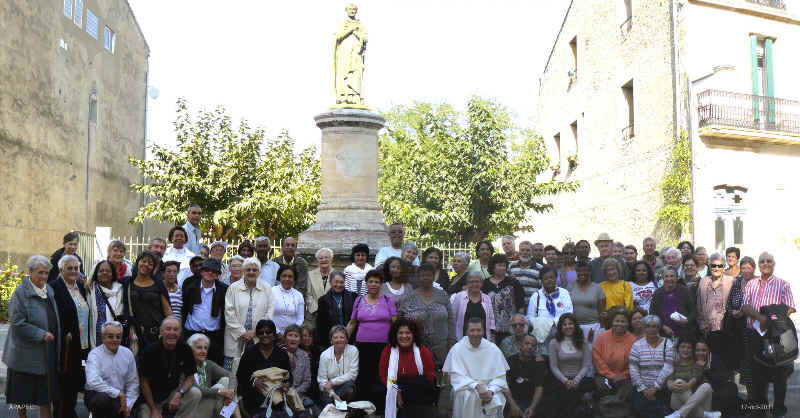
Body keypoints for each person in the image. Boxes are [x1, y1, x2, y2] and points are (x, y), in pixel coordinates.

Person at [4, 255, 60, 418]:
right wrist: (41, 334)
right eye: (40, 273)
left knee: (45, 396)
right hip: (24, 355)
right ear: (30, 272)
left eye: (46, 273)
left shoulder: (48, 290)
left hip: (45, 353)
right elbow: (17, 323)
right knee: (21, 397)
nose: (44, 277)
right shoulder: (20, 293)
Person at [740, 252, 795, 418]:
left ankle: (779, 411)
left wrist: (771, 318)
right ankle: (760, 411)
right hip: (754, 335)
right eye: (762, 261)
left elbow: (790, 308)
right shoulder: (751, 284)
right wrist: (759, 317)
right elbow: (745, 306)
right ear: (758, 264)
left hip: (776, 336)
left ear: (774, 263)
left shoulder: (783, 284)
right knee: (757, 376)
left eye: (768, 261)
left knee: (780, 375)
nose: (765, 263)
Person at [346, 269, 397, 411]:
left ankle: (381, 408)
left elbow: (395, 323)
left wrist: (396, 343)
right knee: (363, 376)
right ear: (366, 284)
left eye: (377, 282)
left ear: (381, 284)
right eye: (370, 281)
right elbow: (352, 323)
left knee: (381, 376)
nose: (373, 284)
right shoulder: (359, 300)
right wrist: (343, 339)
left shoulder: (388, 300)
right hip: (362, 346)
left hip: (384, 347)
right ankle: (362, 409)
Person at [443, 317, 510, 418]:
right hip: (467, 389)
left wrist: (491, 391)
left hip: (489, 390)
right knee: (466, 395)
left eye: (479, 330)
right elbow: (455, 377)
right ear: (466, 332)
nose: (475, 334)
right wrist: (476, 386)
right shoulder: (457, 349)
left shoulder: (493, 349)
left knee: (495, 397)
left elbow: (500, 378)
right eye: (472, 330)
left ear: (483, 331)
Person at [50, 254, 90, 418]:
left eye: (76, 268)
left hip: (83, 343)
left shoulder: (80, 287)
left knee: (75, 379)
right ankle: (61, 413)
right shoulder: (54, 287)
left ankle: (70, 410)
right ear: (61, 270)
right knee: (64, 380)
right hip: (66, 344)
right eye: (70, 268)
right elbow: (52, 316)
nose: (74, 271)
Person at [138, 317, 200, 418]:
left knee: (195, 393)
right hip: (151, 400)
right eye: (168, 329)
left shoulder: (185, 349)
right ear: (161, 332)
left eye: (175, 329)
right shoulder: (150, 351)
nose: (172, 333)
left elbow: (190, 378)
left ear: (180, 333)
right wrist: (153, 410)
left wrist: (179, 394)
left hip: (172, 393)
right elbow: (144, 383)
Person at [397, 263, 455, 368]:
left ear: (433, 277)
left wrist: (451, 341)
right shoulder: (409, 297)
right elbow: (400, 320)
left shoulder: (442, 295)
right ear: (418, 277)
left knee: (439, 379)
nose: (426, 278)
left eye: (429, 275)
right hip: (416, 346)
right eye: (422, 275)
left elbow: (451, 320)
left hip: (441, 347)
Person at [224, 256, 275, 371]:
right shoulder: (233, 288)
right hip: (235, 338)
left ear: (259, 272)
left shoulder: (266, 288)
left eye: (254, 270)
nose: (251, 272)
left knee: (255, 373)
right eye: (248, 269)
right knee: (231, 374)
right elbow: (229, 313)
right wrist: (243, 333)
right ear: (243, 271)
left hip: (258, 338)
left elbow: (269, 312)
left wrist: (255, 332)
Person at [380, 318, 436, 418]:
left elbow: (430, 375)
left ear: (413, 335)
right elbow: (384, 376)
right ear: (395, 335)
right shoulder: (387, 351)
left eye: (408, 333)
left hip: (419, 395)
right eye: (400, 333)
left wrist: (412, 391)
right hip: (396, 391)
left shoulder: (423, 351)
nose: (404, 336)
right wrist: (396, 390)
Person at [235, 319, 292, 416]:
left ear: (274, 335)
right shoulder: (249, 353)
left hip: (276, 395)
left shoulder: (282, 354)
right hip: (253, 396)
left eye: (268, 332)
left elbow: (289, 376)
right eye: (261, 332)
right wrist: (253, 382)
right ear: (257, 335)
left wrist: (286, 385)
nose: (265, 335)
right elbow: (240, 376)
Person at [84, 321, 138, 418]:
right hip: (98, 396)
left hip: (120, 399)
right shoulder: (94, 354)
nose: (115, 340)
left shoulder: (128, 354)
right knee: (103, 400)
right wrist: (118, 394)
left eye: (118, 336)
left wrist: (128, 405)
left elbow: (133, 383)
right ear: (103, 337)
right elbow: (93, 381)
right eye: (110, 336)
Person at [182, 258, 228, 365]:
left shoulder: (223, 289)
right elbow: (184, 308)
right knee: (190, 367)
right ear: (202, 271)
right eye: (207, 270)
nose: (210, 273)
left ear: (218, 274)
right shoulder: (190, 286)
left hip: (213, 337)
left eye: (214, 271)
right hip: (192, 334)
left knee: (212, 369)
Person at [592, 310, 636, 417]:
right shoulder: (602, 337)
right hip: (604, 375)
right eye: (617, 321)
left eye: (623, 321)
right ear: (612, 322)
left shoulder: (633, 340)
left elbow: (635, 363)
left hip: (625, 377)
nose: (619, 324)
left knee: (627, 390)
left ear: (628, 323)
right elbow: (597, 357)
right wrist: (611, 375)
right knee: (603, 387)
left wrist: (624, 375)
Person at [548, 313, 593, 418]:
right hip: (561, 380)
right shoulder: (554, 343)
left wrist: (576, 380)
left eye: (570, 324)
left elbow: (586, 365)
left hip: (580, 379)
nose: (568, 326)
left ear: (575, 325)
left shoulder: (583, 342)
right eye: (565, 324)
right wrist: (566, 381)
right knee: (566, 396)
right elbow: (553, 366)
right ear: (560, 327)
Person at [124, 251, 173, 348]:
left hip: (155, 335)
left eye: (150, 264)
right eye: (144, 261)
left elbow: (167, 310)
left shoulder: (158, 284)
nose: (146, 265)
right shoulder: (127, 282)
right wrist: (90, 280)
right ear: (138, 262)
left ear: (154, 268)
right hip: (133, 335)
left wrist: (170, 331)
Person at [629, 315, 674, 418]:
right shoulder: (637, 346)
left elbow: (668, 367)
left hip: (662, 388)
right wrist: (644, 389)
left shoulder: (668, 344)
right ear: (644, 328)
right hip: (642, 389)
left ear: (659, 328)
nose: (651, 329)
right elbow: (633, 369)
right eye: (648, 326)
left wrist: (655, 387)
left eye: (655, 326)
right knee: (641, 410)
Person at [664, 339, 720, 418]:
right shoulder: (674, 365)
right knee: (679, 382)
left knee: (706, 386)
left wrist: (688, 385)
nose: (685, 350)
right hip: (678, 402)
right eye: (683, 347)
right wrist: (671, 385)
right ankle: (704, 414)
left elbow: (697, 379)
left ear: (692, 350)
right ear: (678, 349)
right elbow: (669, 381)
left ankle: (680, 414)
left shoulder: (697, 365)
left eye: (689, 348)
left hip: (699, 402)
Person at [187, 333, 237, 418]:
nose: (203, 351)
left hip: (209, 406)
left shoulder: (208, 364)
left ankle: (226, 415)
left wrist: (231, 392)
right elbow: (199, 390)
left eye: (205, 348)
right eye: (199, 348)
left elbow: (232, 376)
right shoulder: (185, 365)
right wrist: (220, 391)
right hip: (193, 409)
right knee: (219, 387)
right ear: (190, 349)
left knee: (226, 381)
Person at [723, 256, 756, 376]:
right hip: (736, 327)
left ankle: (752, 390)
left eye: (749, 268)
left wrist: (743, 311)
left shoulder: (758, 283)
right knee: (738, 357)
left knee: (751, 358)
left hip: (752, 328)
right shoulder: (736, 282)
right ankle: (740, 387)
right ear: (740, 269)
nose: (746, 270)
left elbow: (759, 305)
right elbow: (728, 303)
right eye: (743, 268)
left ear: (753, 269)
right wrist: (732, 311)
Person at [696, 253, 733, 358]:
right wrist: (702, 323)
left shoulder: (731, 281)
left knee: (723, 360)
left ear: (723, 267)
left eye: (719, 266)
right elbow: (699, 305)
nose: (716, 268)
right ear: (709, 266)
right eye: (713, 265)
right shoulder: (703, 281)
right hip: (707, 328)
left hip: (724, 328)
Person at [483, 253, 525, 342]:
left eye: (504, 266)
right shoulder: (485, 284)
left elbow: (520, 303)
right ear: (492, 267)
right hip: (490, 327)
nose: (502, 268)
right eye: (499, 265)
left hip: (510, 327)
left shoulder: (513, 282)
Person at [86, 260, 125, 348]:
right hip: (97, 341)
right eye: (101, 271)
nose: (104, 273)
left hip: (116, 339)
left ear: (113, 273)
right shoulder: (91, 289)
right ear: (96, 273)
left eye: (108, 271)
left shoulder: (120, 290)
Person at [649, 267, 695, 340]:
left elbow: (694, 310)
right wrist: (663, 327)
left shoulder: (684, 291)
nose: (669, 279)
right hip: (663, 334)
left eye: (672, 276)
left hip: (684, 332)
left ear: (677, 278)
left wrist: (687, 321)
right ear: (663, 278)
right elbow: (652, 314)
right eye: (666, 276)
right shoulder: (657, 293)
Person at [318, 325, 359, 406]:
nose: (339, 340)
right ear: (331, 341)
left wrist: (332, 382)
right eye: (335, 337)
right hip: (329, 390)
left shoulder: (353, 350)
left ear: (347, 340)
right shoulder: (324, 355)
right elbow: (322, 381)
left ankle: (346, 408)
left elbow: (353, 374)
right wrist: (333, 394)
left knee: (350, 386)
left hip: (345, 387)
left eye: (342, 337)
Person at [315, 271, 357, 351]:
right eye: (336, 282)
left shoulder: (353, 297)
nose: (338, 285)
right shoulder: (323, 300)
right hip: (330, 340)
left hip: (350, 339)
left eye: (341, 282)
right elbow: (320, 324)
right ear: (330, 283)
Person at [506, 334, 545, 418]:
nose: (530, 347)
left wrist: (532, 408)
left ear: (535, 349)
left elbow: (539, 388)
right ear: (520, 345)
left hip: (531, 400)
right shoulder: (510, 361)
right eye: (527, 344)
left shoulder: (539, 363)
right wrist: (513, 405)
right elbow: (505, 385)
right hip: (512, 399)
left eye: (533, 345)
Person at [567, 261, 605, 344]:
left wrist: (602, 329)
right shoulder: (571, 286)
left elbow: (602, 310)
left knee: (592, 352)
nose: (582, 273)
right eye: (579, 271)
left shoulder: (597, 288)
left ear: (590, 272)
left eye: (585, 270)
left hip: (593, 327)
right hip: (575, 327)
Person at [451, 270, 495, 341]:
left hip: (483, 339)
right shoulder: (459, 297)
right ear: (467, 283)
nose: (474, 284)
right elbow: (452, 318)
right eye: (471, 282)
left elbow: (491, 319)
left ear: (481, 283)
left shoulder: (487, 298)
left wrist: (492, 336)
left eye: (477, 281)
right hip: (462, 339)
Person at [285, 325, 316, 416]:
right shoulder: (279, 353)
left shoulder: (304, 356)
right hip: (281, 396)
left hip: (299, 396)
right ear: (285, 338)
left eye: (296, 336)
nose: (293, 339)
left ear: (300, 340)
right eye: (290, 335)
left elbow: (307, 381)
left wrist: (294, 393)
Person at [272, 264, 305, 336]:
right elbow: (268, 315)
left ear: (294, 279)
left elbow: (300, 318)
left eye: (290, 277)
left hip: (292, 336)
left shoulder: (298, 295)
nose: (287, 279)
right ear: (279, 277)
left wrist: (291, 333)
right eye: (284, 276)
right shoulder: (271, 291)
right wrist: (278, 333)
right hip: (273, 333)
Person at [508, 241, 543, 306]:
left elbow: (542, 290)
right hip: (515, 306)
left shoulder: (540, 268)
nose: (525, 253)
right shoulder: (511, 266)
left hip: (533, 306)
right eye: (522, 250)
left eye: (528, 250)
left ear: (532, 252)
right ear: (519, 252)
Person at [306, 248, 334, 328]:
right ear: (317, 260)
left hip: (332, 315)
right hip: (314, 315)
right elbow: (308, 294)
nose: (323, 260)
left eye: (326, 257)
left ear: (331, 259)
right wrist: (317, 310)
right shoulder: (310, 275)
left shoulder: (337, 274)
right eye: (321, 258)